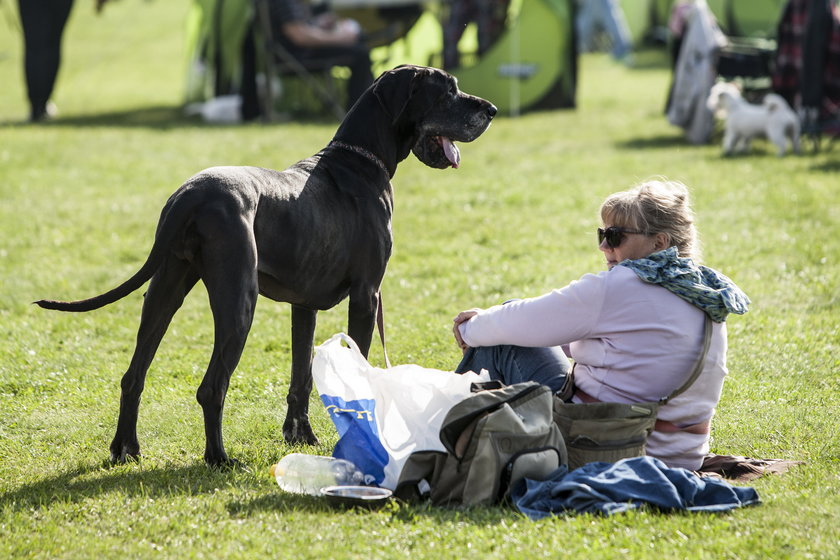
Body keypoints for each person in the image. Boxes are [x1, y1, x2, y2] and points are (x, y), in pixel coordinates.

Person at [451, 179, 750, 470]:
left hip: (603, 447)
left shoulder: (622, 286)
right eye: (602, 234)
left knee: (501, 329)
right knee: (509, 327)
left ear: (659, 242)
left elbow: (519, 321)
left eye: (616, 236)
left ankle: (445, 445)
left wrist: (469, 329)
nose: (604, 246)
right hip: (682, 458)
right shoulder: (706, 291)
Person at [241, 0, 374, 120]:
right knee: (360, 54)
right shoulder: (282, 2)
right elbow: (299, 36)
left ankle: (361, 111)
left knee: (359, 47)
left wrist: (320, 24)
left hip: (303, 52)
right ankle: (358, 114)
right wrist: (341, 38)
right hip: (297, 57)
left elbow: (300, 28)